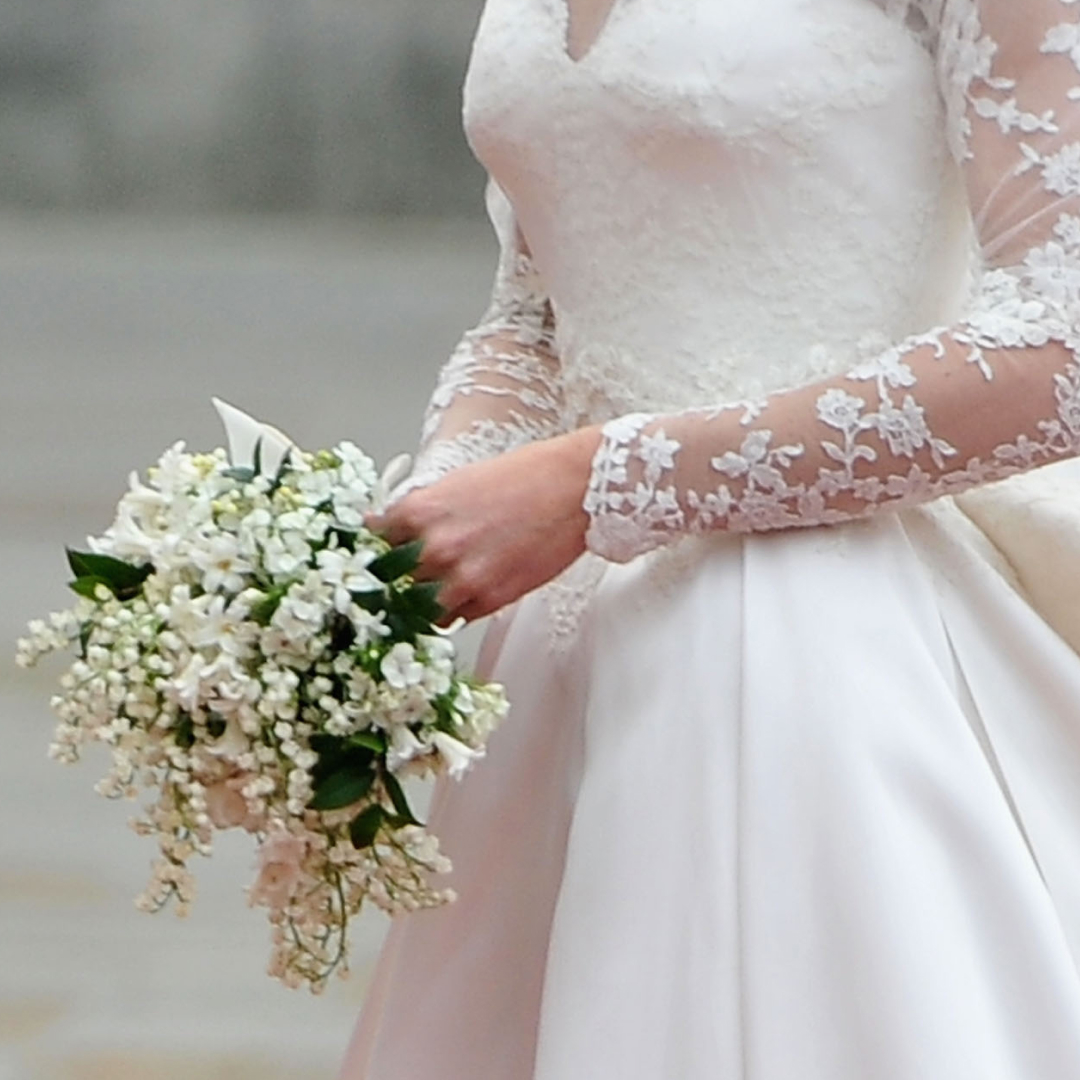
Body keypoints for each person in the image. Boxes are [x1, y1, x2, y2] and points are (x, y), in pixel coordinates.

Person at [342, 1, 1080, 1076]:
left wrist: (600, 483)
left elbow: (1060, 347)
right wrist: (427, 526)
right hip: (560, 659)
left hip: (829, 653)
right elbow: (536, 316)